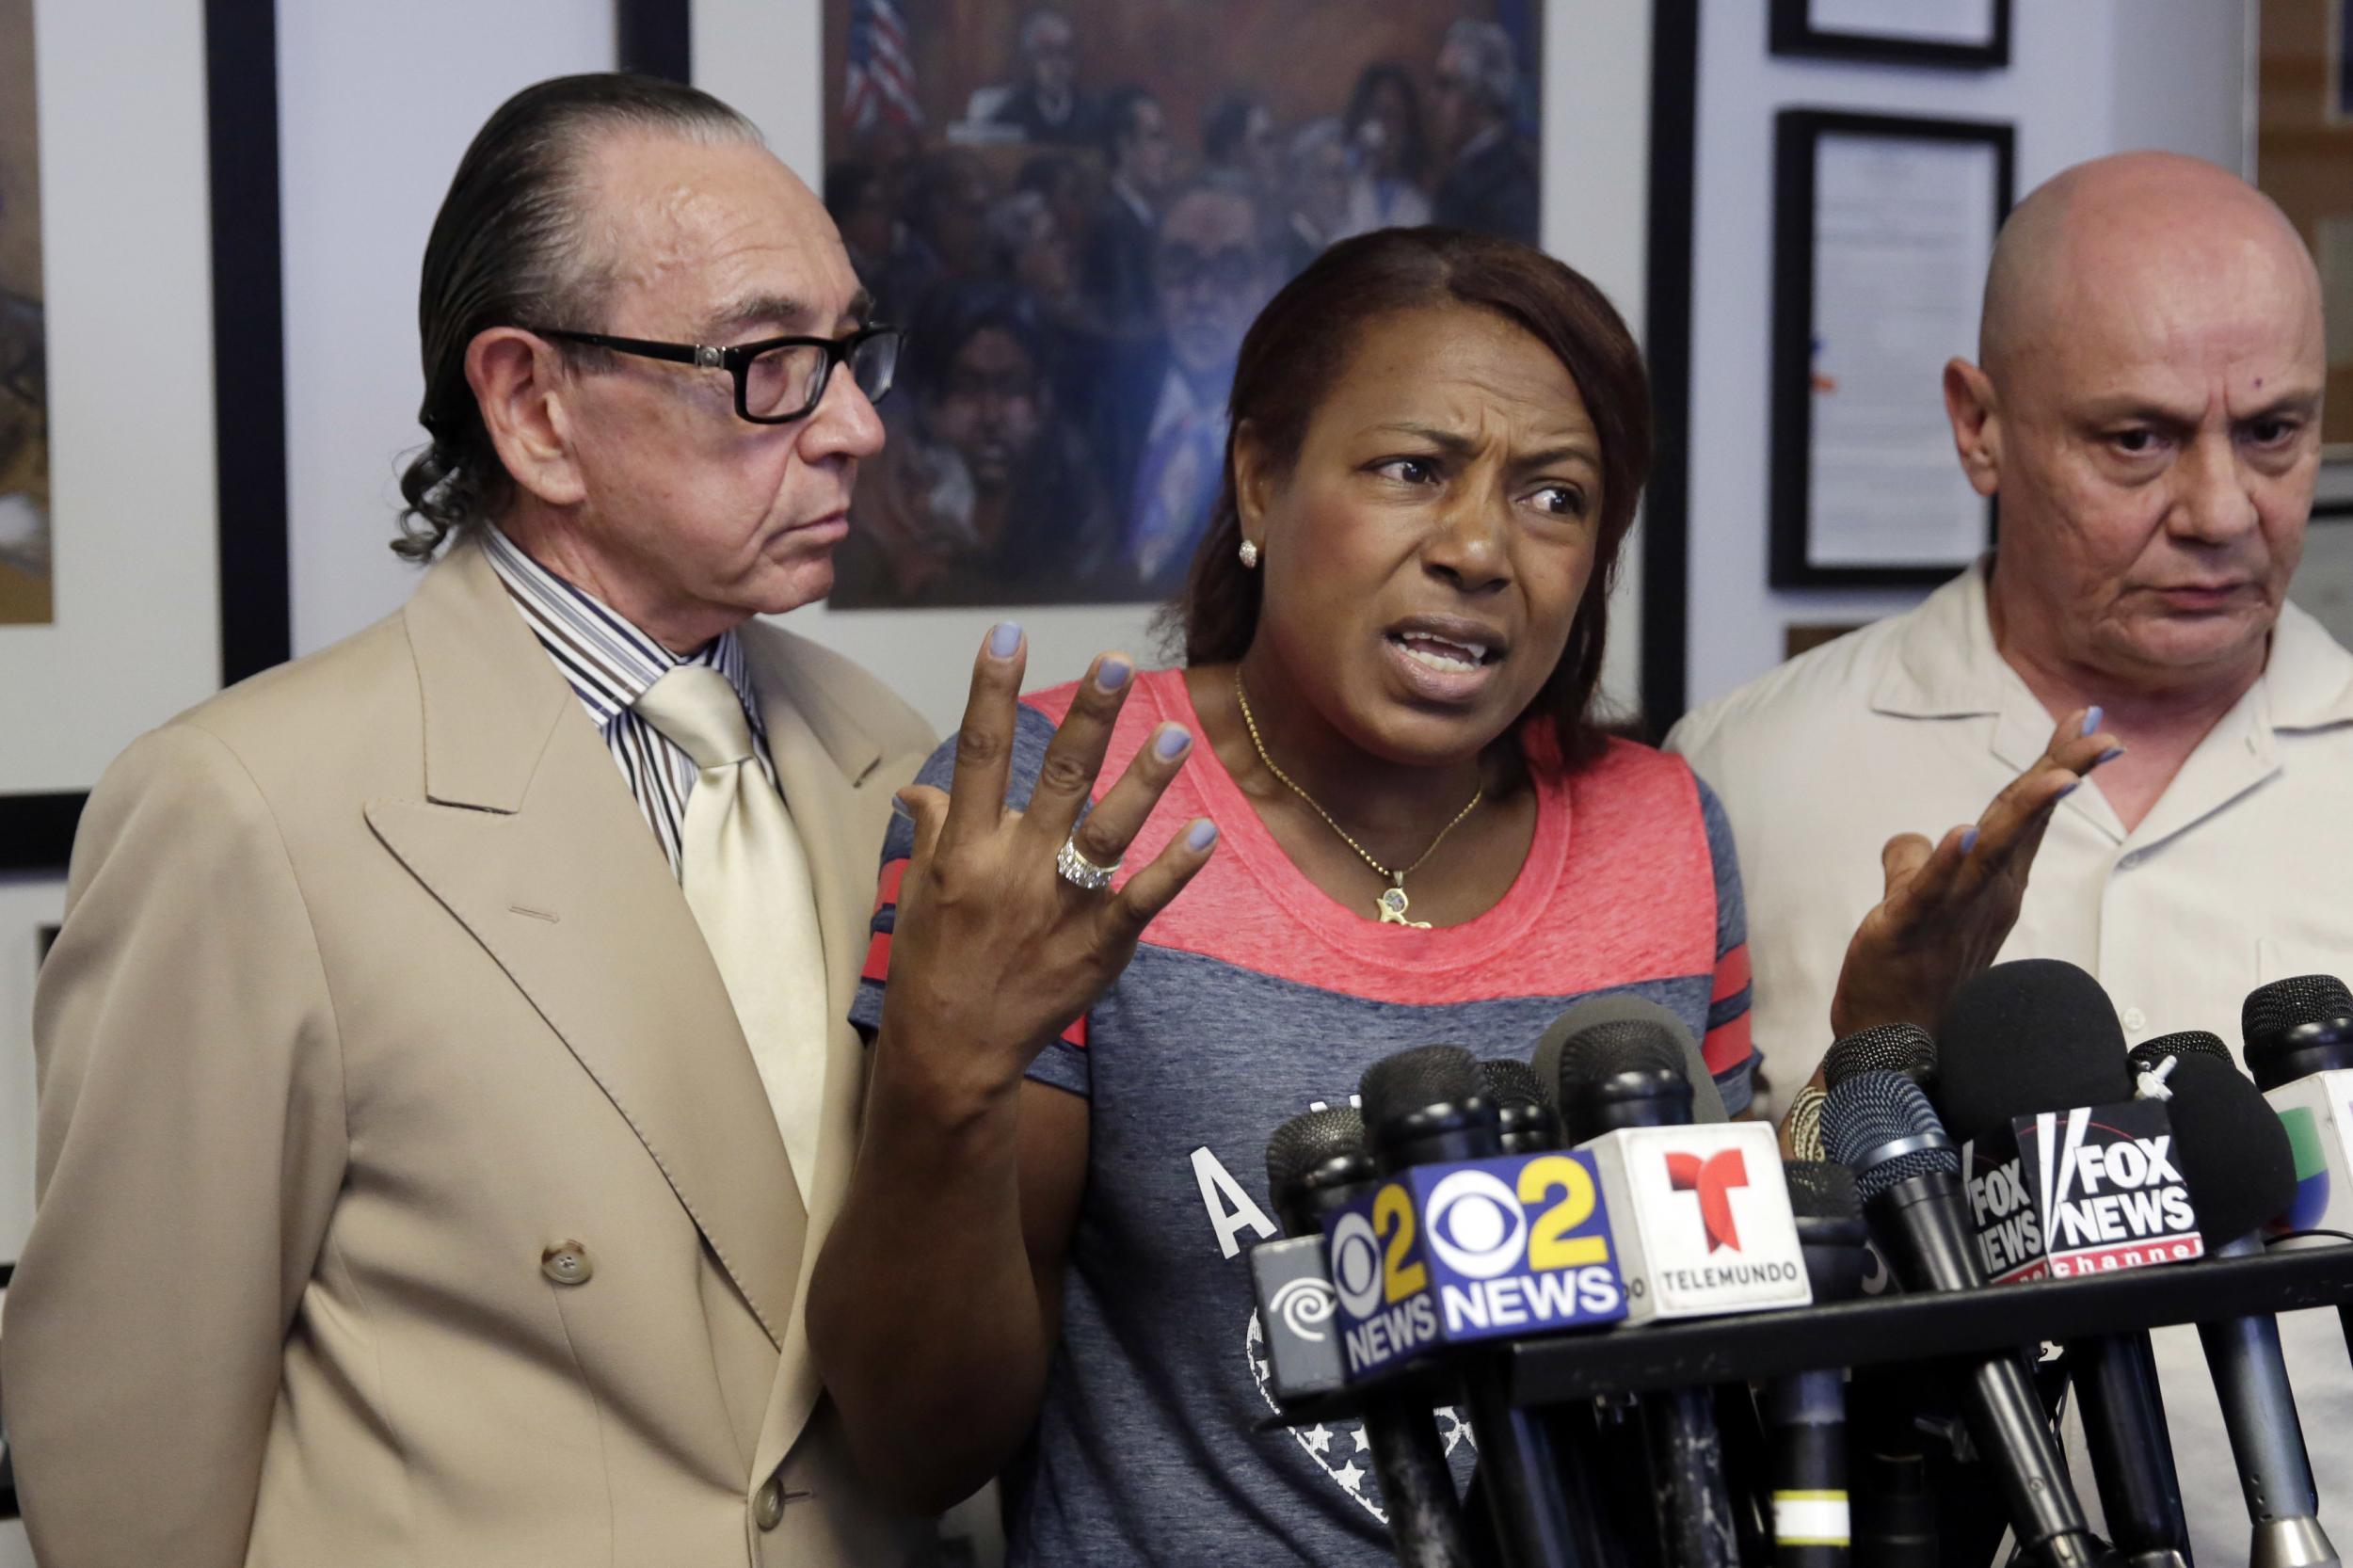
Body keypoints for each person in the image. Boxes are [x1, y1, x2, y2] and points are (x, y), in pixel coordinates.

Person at [804, 226, 2103, 1565]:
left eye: (1555, 495)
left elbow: (1729, 1335)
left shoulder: (1656, 825)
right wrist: (945, 1070)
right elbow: (920, 1442)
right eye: (1413, 469)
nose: (1482, 545)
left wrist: (1875, 1046)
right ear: (1261, 481)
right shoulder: (1070, 809)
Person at [0, 74, 936, 1568]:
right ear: (532, 405)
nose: (858, 428)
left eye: (852, 350)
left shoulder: (891, 763)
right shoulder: (249, 811)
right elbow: (126, 1461)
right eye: (771, 362)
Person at [1666, 151, 2346, 1562]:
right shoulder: (1744, 775)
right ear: (1979, 425)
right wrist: (1879, 1051)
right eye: (2137, 440)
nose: (2222, 508)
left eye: (2275, 433)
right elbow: (1679, 1286)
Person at [830, 280, 1112, 608]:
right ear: (928, 399)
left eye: (1011, 388)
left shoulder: (1076, 498)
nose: (991, 415)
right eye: (966, 388)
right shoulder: (876, 495)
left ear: (1042, 399)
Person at [1103, 180, 1283, 596]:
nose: (1202, 295)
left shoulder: (1301, 420)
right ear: (1153, 275)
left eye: (1232, 271)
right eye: (1180, 267)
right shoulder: (1101, 401)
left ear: (1271, 280)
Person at [1430, 20, 1538, 245]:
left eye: (1446, 84)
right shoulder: (1471, 176)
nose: (1433, 99)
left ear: (1480, 94)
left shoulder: (1507, 187)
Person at [1082, 86, 1176, 341]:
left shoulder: (1144, 217)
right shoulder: (1112, 222)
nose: (1167, 152)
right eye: (1156, 138)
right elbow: (1131, 323)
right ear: (1124, 145)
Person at [1338, 60, 1433, 238]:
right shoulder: (1342, 187)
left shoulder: (1420, 204)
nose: (1384, 128)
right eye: (1376, 113)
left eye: (1392, 116)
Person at [988, 8, 1101, 149]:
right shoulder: (1011, 113)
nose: (1057, 64)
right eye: (1047, 53)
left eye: (1065, 53)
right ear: (1029, 60)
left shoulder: (1092, 113)